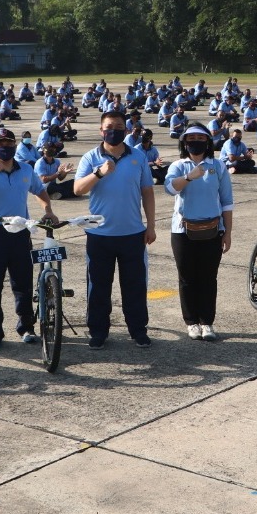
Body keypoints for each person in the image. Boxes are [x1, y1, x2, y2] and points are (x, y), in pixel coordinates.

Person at [74, 110, 157, 349]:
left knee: (135, 285)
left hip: (132, 233)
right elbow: (78, 189)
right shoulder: (91, 157)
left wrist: (150, 226)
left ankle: (138, 329)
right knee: (98, 287)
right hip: (99, 234)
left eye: (119, 126)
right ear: (101, 131)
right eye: (109, 127)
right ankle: (98, 331)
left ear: (127, 129)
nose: (114, 131)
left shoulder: (138, 157)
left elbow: (147, 192)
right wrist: (98, 173)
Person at [0, 128, 57, 348]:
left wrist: (47, 209)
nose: (5, 148)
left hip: (19, 231)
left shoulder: (26, 170)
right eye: (0, 144)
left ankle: (26, 326)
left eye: (9, 144)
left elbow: (39, 190)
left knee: (23, 283)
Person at [165, 123, 233, 341]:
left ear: (207, 142)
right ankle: (191, 321)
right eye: (191, 138)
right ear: (185, 142)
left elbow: (227, 202)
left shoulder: (218, 166)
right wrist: (189, 177)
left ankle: (207, 322)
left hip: (212, 229)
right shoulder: (178, 165)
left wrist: (228, 232)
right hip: (183, 230)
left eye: (201, 138)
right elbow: (170, 188)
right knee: (186, 277)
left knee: (208, 277)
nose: (196, 142)